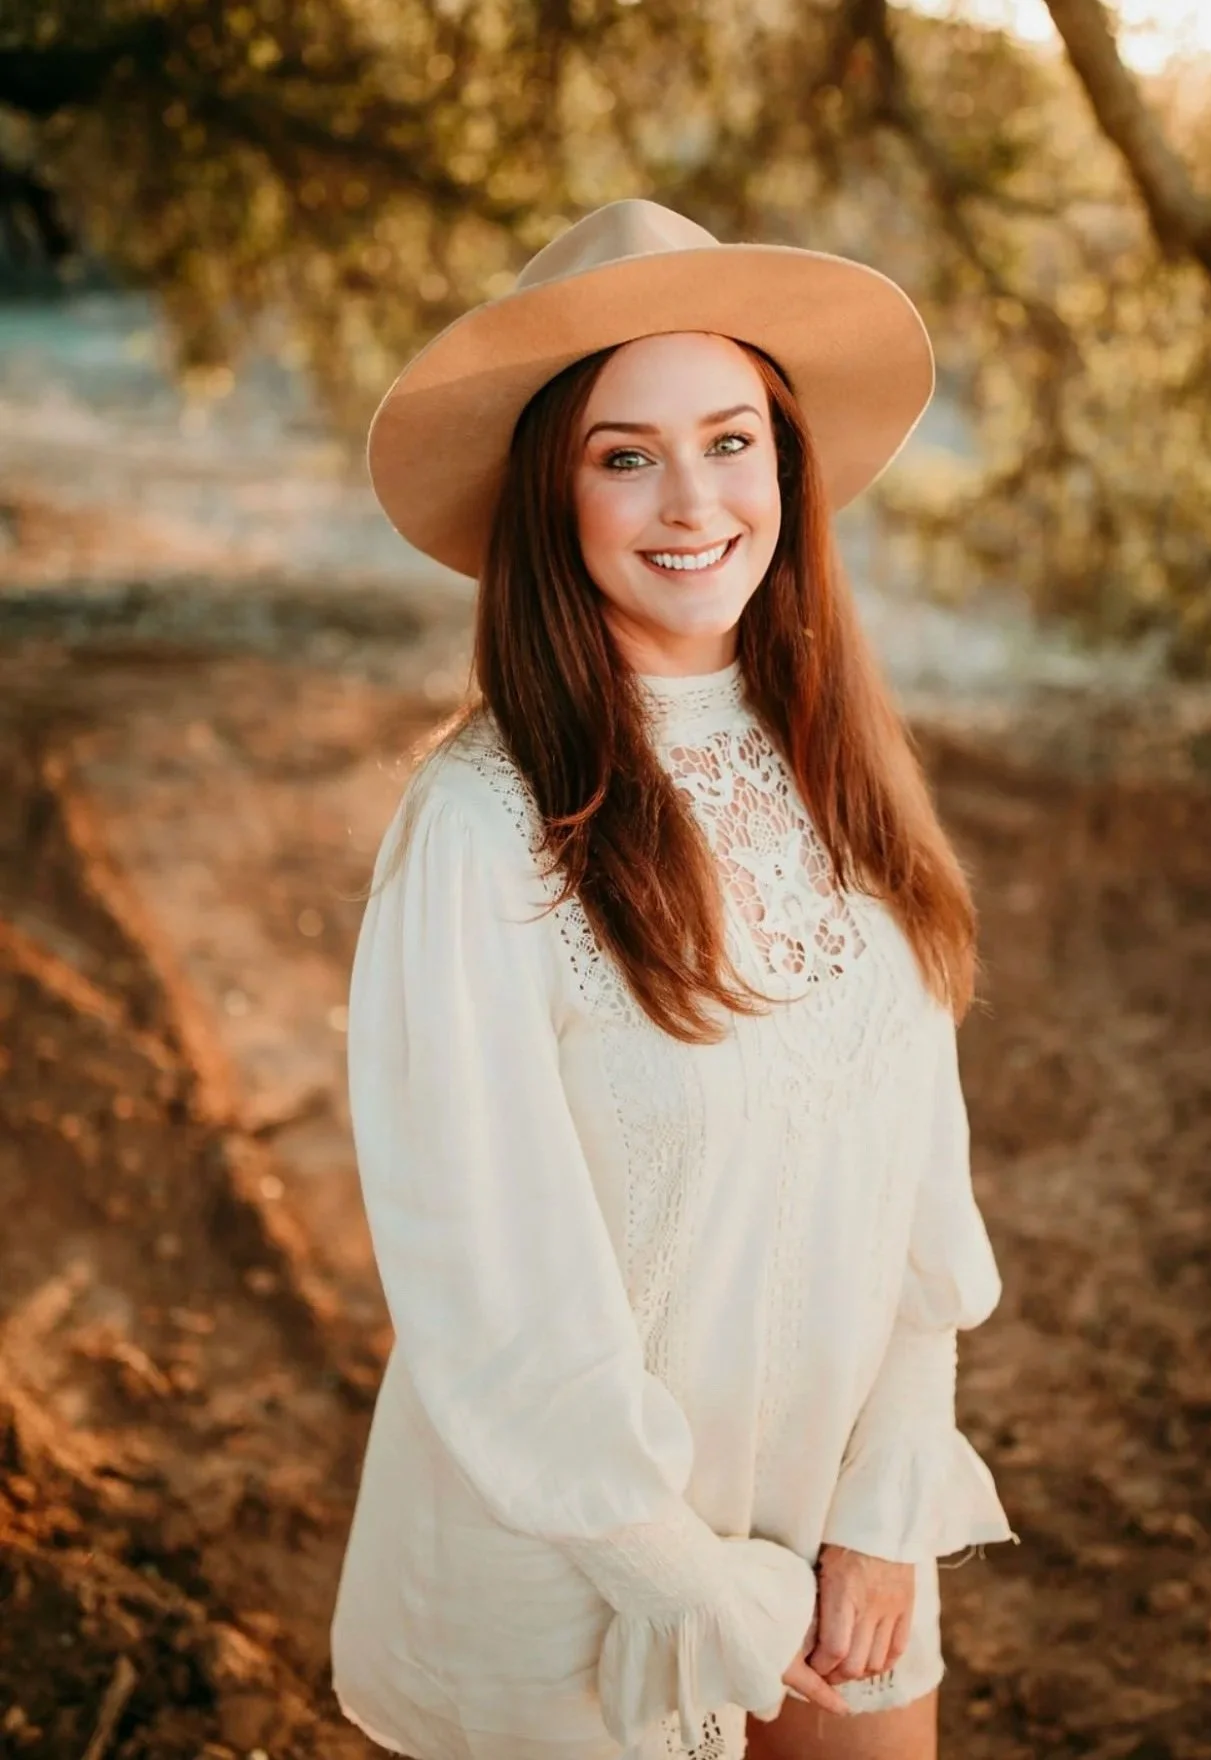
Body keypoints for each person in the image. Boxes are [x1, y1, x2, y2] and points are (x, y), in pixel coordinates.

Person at [330, 199, 1015, 1760]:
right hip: (576, 1582)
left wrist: (891, 1498)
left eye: (729, 441)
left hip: (839, 1538)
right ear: (553, 499)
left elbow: (919, 1180)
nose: (691, 499)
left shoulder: (843, 770)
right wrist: (683, 1579)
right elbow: (492, 1286)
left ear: (785, 464)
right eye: (624, 454)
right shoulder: (480, 827)